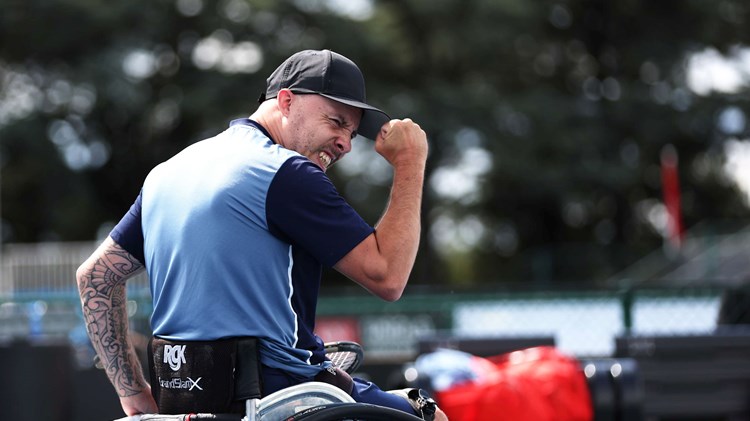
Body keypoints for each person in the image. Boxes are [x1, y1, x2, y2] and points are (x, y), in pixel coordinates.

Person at [76, 49, 447, 420]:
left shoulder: (167, 172)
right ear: (286, 101)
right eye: (336, 122)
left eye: (351, 133)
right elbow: (388, 277)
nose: (346, 144)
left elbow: (95, 277)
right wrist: (410, 162)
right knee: (429, 414)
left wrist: (134, 393)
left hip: (180, 402)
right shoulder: (288, 173)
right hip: (281, 397)